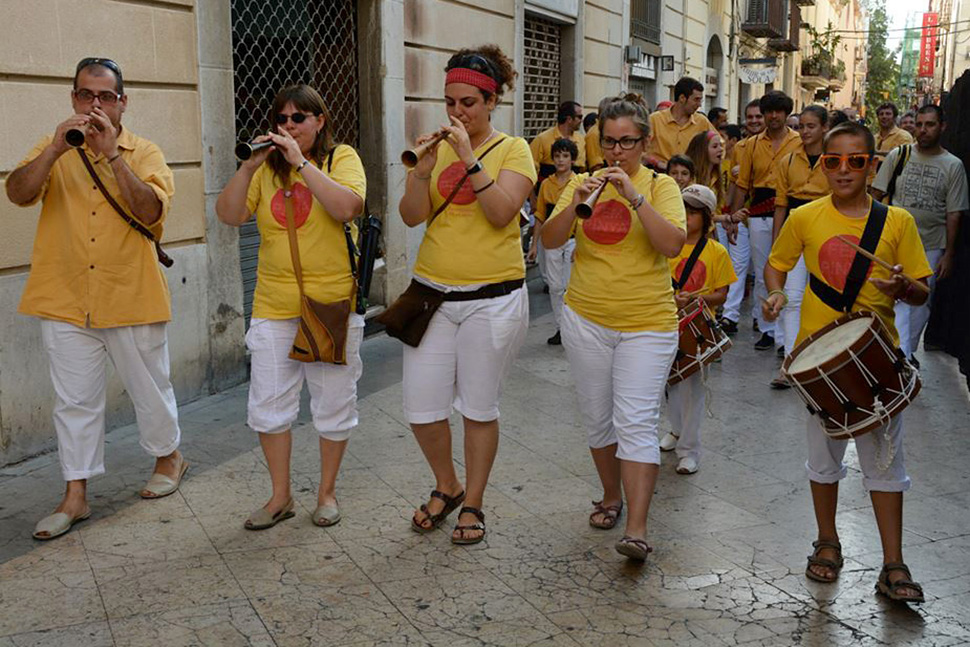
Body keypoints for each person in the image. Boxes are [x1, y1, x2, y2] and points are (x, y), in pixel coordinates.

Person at [5, 58, 185, 540]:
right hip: (63, 294)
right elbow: (18, 193)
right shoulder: (54, 145)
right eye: (86, 95)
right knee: (74, 401)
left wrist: (112, 157)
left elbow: (150, 212)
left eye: (106, 96)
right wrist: (54, 151)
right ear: (73, 99)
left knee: (149, 387)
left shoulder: (145, 151)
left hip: (130, 291)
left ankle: (169, 456)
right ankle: (76, 493)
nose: (95, 105)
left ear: (123, 103)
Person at [763, 121, 932, 604]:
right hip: (820, 360)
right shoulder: (805, 218)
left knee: (886, 464)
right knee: (823, 460)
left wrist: (903, 287)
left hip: (877, 358)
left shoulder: (897, 223)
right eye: (832, 161)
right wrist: (774, 294)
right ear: (821, 164)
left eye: (856, 161)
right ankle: (827, 541)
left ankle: (893, 563)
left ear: (872, 165)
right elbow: (777, 265)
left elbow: (921, 290)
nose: (843, 170)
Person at [398, 45, 536, 545]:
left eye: (468, 104)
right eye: (450, 102)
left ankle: (472, 501)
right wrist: (421, 171)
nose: (457, 113)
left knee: (478, 407)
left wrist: (466, 157)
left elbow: (502, 213)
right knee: (421, 408)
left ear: (491, 101)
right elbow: (411, 216)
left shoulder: (514, 150)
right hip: (433, 295)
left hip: (492, 298)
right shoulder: (437, 153)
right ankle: (447, 484)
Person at [541, 96, 686, 561]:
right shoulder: (582, 182)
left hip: (647, 322)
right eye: (609, 142)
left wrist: (634, 196)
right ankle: (610, 495)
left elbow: (672, 244)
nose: (617, 152)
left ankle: (638, 529)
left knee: (636, 421)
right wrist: (577, 204)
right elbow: (549, 239)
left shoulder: (661, 186)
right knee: (598, 417)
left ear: (644, 142)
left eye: (627, 142)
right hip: (586, 317)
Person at [216, 84, 366, 530]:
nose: (288, 127)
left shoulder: (342, 159)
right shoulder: (265, 171)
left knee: (333, 402)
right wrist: (248, 167)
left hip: (331, 302)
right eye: (281, 119)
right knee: (268, 405)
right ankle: (280, 496)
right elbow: (229, 215)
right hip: (274, 303)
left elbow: (346, 207)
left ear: (320, 121)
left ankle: (327, 493)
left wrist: (302, 164)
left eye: (298, 118)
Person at [872, 105, 969, 364]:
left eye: (930, 125)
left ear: (942, 127)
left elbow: (954, 213)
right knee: (890, 298)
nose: (923, 130)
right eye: (920, 124)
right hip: (893, 241)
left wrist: (948, 254)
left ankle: (906, 350)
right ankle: (896, 350)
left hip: (931, 244)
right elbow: (876, 196)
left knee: (920, 301)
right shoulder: (898, 155)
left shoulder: (953, 165)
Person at [659, 184, 736, 474]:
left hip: (697, 328)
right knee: (669, 384)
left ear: (706, 217)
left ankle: (690, 449)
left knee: (693, 387)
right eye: (683, 210)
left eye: (693, 212)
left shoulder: (716, 252)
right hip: (665, 321)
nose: (686, 217)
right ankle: (677, 431)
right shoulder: (665, 245)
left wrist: (696, 298)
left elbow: (722, 294)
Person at [730, 91, 802, 351]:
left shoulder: (798, 142)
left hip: (792, 213)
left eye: (778, 111)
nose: (773, 116)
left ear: (786, 113)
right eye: (769, 111)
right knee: (764, 272)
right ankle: (768, 328)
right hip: (759, 211)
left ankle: (787, 336)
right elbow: (742, 184)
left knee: (790, 273)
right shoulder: (750, 145)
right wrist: (733, 220)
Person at [769, 105, 831, 388]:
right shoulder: (788, 161)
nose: (805, 132)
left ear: (824, 128)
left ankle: (823, 362)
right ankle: (789, 364)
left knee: (824, 298)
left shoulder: (834, 160)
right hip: (795, 229)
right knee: (791, 298)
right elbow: (781, 204)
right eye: (802, 126)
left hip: (825, 231)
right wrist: (776, 243)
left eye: (811, 126)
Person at [718, 102, 766, 334]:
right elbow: (737, 184)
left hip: (766, 215)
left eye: (758, 116)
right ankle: (730, 315)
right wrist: (732, 216)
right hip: (743, 216)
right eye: (750, 116)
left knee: (762, 269)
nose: (754, 120)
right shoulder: (740, 147)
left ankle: (762, 316)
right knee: (737, 266)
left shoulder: (786, 145)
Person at [531, 138, 579, 345]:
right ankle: (560, 327)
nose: (561, 160)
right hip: (551, 241)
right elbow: (540, 216)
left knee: (570, 286)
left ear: (572, 159)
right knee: (554, 286)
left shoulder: (580, 182)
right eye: (557, 156)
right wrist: (534, 245)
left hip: (572, 239)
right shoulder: (546, 185)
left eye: (565, 156)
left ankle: (572, 328)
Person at [645, 77, 714, 170]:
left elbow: (720, 146)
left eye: (700, 100)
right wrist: (658, 163)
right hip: (659, 175)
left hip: (690, 178)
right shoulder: (655, 120)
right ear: (682, 98)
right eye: (696, 99)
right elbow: (640, 149)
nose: (699, 104)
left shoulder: (702, 122)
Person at [530, 100, 586, 182]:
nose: (581, 121)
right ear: (569, 119)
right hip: (549, 189)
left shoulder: (581, 140)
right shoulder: (542, 139)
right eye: (579, 117)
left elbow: (583, 168)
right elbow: (531, 169)